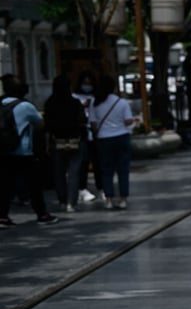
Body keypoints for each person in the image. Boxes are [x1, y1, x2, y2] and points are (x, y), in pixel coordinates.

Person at [0, 74, 58, 227]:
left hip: (3, 152)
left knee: (5, 185)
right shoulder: (26, 106)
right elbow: (40, 124)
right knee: (34, 185)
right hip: (23, 151)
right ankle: (42, 214)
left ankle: (3, 217)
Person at [90, 74, 136, 210]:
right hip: (121, 137)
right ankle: (123, 199)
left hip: (104, 139)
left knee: (106, 170)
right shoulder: (121, 103)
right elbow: (128, 120)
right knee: (123, 170)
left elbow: (93, 123)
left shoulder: (95, 102)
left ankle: (108, 199)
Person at [44, 75, 89, 213]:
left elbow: (47, 124)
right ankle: (71, 203)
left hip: (57, 141)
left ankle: (62, 200)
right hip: (75, 140)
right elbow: (83, 120)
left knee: (58, 172)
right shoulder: (75, 103)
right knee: (74, 172)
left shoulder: (50, 103)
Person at [73, 71, 100, 204]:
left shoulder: (96, 97)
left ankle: (101, 187)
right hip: (82, 133)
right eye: (85, 83)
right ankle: (81, 188)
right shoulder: (74, 97)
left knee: (97, 161)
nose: (87, 86)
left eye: (90, 83)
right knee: (83, 162)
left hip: (94, 133)